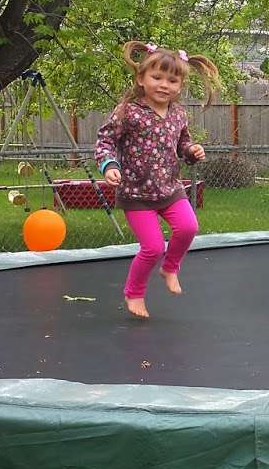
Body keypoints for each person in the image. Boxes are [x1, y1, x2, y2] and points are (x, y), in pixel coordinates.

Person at [95, 41, 222, 319]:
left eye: (172, 80)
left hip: (170, 188)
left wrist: (192, 150)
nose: (164, 85)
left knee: (188, 228)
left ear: (181, 85)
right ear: (141, 78)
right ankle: (134, 293)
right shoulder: (128, 111)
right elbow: (106, 141)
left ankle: (170, 267)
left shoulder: (178, 113)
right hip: (136, 193)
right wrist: (109, 165)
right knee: (152, 248)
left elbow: (182, 144)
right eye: (157, 77)